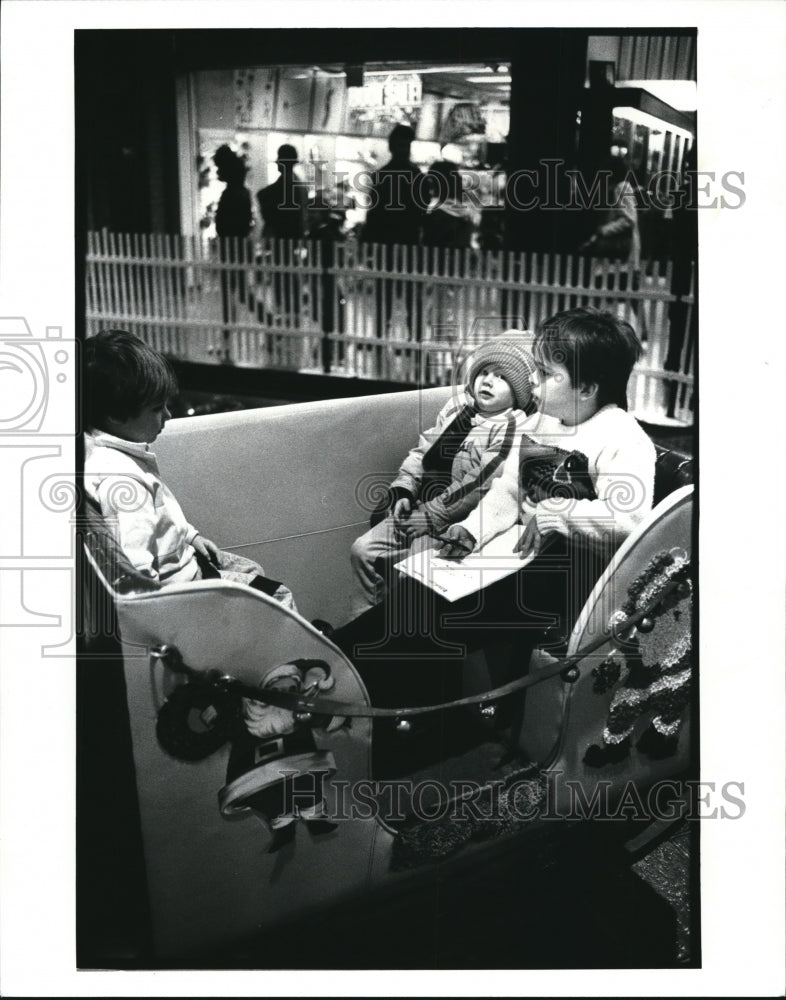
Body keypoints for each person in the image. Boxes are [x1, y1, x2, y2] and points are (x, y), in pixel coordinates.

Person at [333, 308, 656, 715]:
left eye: (545, 373)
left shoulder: (623, 437)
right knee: (418, 596)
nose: (533, 383)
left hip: (567, 574)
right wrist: (470, 530)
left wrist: (557, 513)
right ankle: (334, 662)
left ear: (587, 387)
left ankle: (349, 684)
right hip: (514, 558)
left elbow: (630, 520)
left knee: (433, 619)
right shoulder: (540, 420)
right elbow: (505, 491)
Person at [83, 330, 296, 609]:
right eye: (157, 408)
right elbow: (139, 576)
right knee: (279, 597)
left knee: (251, 570)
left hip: (185, 563)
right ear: (115, 416)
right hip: (186, 590)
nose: (168, 416)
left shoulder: (107, 456)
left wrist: (191, 536)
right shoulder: (124, 483)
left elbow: (162, 518)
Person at [349, 335, 538, 616]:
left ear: (519, 391)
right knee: (363, 550)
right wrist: (403, 489)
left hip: (457, 524)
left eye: (501, 377)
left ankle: (391, 635)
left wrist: (430, 515)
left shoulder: (512, 427)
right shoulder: (456, 409)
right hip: (421, 508)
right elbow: (423, 451)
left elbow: (479, 482)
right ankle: (361, 625)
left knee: (412, 578)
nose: (487, 381)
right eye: (484, 372)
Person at [361, 124, 427, 341]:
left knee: (385, 297)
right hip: (409, 246)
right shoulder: (417, 177)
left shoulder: (380, 177)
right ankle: (415, 340)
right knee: (411, 298)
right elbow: (422, 212)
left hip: (386, 246)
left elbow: (373, 216)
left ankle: (381, 337)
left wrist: (367, 247)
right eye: (403, 144)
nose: (404, 148)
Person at [256, 144, 310, 332]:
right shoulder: (300, 186)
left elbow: (264, 197)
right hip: (294, 238)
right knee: (291, 276)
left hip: (282, 238)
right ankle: (292, 314)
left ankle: (285, 314)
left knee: (281, 277)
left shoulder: (284, 186)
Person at [213, 145, 254, 361]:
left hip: (231, 250)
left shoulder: (232, 194)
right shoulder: (241, 192)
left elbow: (227, 224)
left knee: (234, 295)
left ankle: (227, 337)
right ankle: (227, 336)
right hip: (236, 249)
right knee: (240, 294)